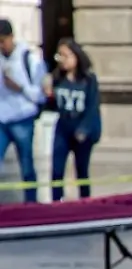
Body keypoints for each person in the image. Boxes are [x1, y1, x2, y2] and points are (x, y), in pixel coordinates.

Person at [42, 39, 101, 202]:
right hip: (63, 127)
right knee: (56, 170)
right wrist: (49, 96)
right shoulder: (57, 77)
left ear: (76, 57)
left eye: (66, 56)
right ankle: (56, 202)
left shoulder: (88, 79)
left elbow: (92, 106)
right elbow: (53, 106)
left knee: (81, 170)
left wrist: (84, 129)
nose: (62, 60)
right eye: (59, 56)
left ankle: (85, 201)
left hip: (81, 127)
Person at [0, 19, 46, 203]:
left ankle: (31, 203)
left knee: (26, 164)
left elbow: (40, 95)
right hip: (2, 120)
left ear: (11, 37)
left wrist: (19, 87)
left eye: (3, 41)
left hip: (22, 119)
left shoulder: (29, 58)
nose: (1, 46)